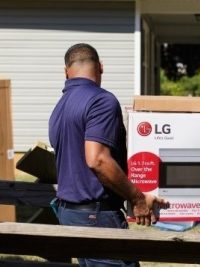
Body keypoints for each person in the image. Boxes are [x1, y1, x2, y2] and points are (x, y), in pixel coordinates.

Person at [49, 43, 168, 267]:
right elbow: (98, 159)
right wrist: (138, 198)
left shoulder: (60, 107)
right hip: (96, 217)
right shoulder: (102, 101)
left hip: (69, 214)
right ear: (101, 67)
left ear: (66, 71)